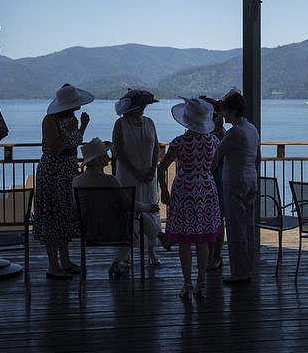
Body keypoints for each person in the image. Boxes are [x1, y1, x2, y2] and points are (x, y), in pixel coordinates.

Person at [73, 137, 166, 277]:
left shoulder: (77, 181)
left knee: (137, 221)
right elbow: (129, 204)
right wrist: (149, 207)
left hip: (89, 230)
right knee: (137, 222)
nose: (108, 157)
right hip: (114, 231)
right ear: (99, 159)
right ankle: (159, 237)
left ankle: (159, 237)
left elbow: (75, 208)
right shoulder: (110, 180)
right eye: (105, 154)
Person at [158, 98, 222, 298]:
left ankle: (187, 283)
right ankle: (201, 282)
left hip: (184, 190)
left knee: (185, 240)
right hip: (206, 189)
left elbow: (161, 168)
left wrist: (164, 190)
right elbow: (214, 165)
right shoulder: (213, 141)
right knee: (202, 239)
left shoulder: (179, 142)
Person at [34, 83, 93, 279]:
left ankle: (65, 261)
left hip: (67, 173)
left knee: (65, 217)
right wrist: (69, 130)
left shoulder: (71, 119)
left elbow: (74, 143)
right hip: (52, 174)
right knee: (52, 217)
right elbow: (55, 149)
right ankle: (53, 265)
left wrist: (81, 127)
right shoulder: (49, 120)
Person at [113, 89, 163, 266]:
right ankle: (126, 252)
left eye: (143, 106)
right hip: (128, 175)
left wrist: (152, 169)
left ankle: (151, 248)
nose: (142, 109)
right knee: (129, 211)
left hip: (148, 175)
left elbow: (156, 146)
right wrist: (135, 172)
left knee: (150, 207)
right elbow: (119, 151)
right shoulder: (120, 124)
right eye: (139, 106)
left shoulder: (150, 122)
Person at [217, 89, 260, 284]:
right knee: (248, 226)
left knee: (235, 228)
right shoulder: (251, 129)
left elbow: (217, 154)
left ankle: (238, 272)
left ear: (233, 111)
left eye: (225, 110)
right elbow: (258, 157)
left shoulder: (235, 132)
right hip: (251, 178)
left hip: (234, 181)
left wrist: (218, 128)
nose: (223, 114)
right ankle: (248, 268)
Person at [200, 94, 227, 272]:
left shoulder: (219, 133)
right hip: (210, 177)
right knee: (210, 217)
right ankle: (210, 255)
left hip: (217, 176)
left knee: (218, 217)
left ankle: (216, 255)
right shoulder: (207, 131)